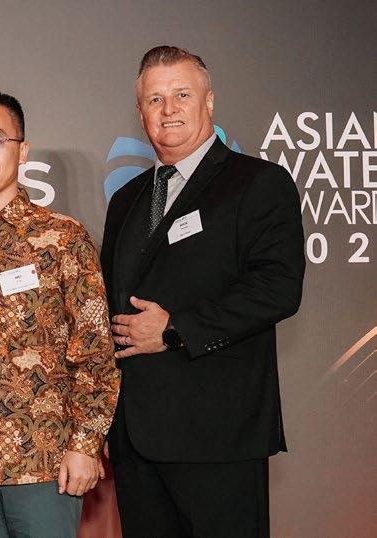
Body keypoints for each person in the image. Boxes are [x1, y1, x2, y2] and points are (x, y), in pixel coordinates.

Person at [101, 45, 305, 537]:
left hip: (218, 436)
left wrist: (174, 329)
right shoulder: (126, 199)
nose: (168, 109)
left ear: (208, 101)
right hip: (136, 442)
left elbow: (278, 287)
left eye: (182, 95)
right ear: (140, 112)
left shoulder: (257, 182)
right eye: (155, 99)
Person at [0, 92, 119, 537]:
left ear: (22, 150)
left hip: (44, 462)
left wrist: (86, 444)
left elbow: (94, 352)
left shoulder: (62, 238)